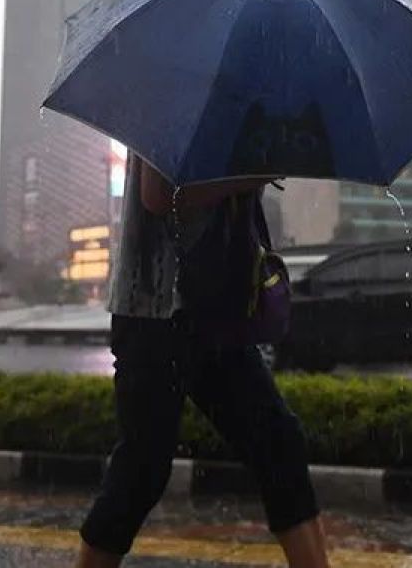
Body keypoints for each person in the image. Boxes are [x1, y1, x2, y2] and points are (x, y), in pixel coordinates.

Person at [77, 153, 329, 568]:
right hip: (153, 313)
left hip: (214, 313)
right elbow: (158, 196)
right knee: (142, 469)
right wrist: (250, 176)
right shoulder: (168, 91)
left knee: (277, 442)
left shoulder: (238, 110)